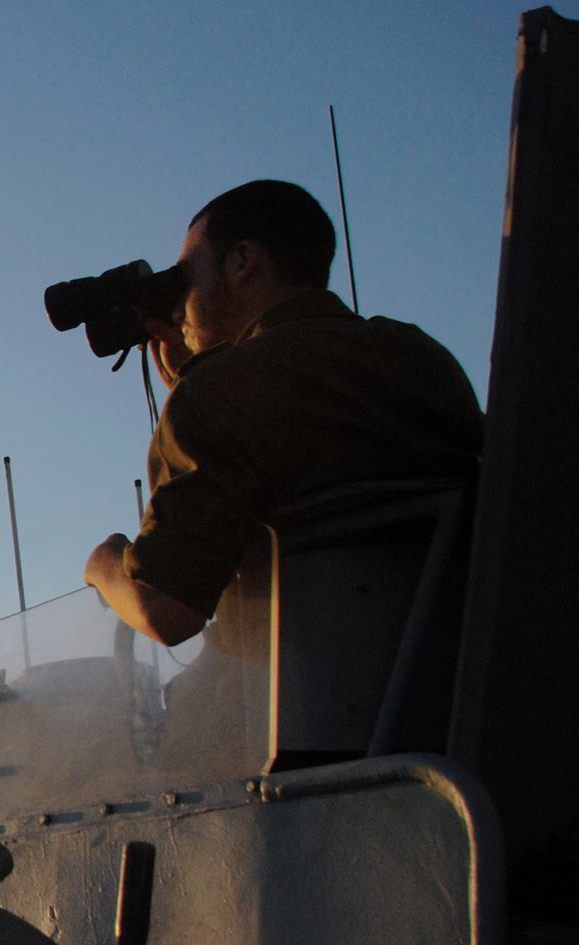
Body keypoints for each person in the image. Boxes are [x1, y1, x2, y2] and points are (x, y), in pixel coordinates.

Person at [83, 180, 484, 644]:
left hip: (309, 677)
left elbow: (165, 609)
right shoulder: (423, 359)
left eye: (185, 276)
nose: (178, 308)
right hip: (464, 663)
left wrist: (105, 563)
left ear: (242, 261)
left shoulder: (214, 394)